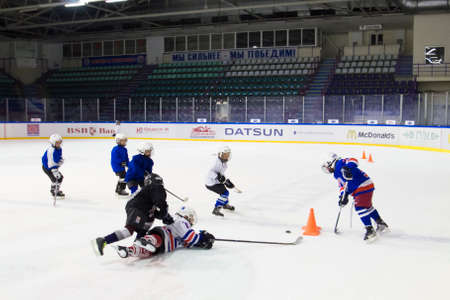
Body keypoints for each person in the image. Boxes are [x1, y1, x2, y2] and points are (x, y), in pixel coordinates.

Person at [92, 173, 173, 256]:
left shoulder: (147, 190)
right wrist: (165, 215)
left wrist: (165, 215)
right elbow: (160, 204)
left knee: (146, 225)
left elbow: (157, 209)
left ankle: (138, 245)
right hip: (139, 208)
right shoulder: (157, 187)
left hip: (138, 208)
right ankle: (104, 240)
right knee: (129, 230)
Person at [322, 153, 389, 242]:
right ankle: (381, 224)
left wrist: (347, 168)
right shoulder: (336, 174)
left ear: (331, 162)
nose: (328, 170)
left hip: (362, 185)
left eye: (327, 167)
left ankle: (370, 230)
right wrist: (343, 196)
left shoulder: (341, 163)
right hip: (362, 187)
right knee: (367, 207)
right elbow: (342, 186)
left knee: (360, 207)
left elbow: (354, 160)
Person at [114, 206, 215, 259]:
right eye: (191, 219)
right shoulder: (181, 221)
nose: (191, 222)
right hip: (163, 236)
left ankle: (129, 251)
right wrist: (202, 237)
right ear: (186, 215)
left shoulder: (182, 225)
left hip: (164, 246)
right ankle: (147, 241)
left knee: (148, 252)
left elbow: (189, 242)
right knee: (156, 241)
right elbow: (190, 238)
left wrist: (203, 243)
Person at [205, 146, 236, 217]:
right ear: (220, 154)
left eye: (227, 155)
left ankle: (225, 204)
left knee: (224, 192)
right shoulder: (215, 162)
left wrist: (227, 181)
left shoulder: (224, 163)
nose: (226, 156)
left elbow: (221, 174)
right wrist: (217, 177)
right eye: (225, 155)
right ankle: (216, 208)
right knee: (225, 193)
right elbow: (209, 172)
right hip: (211, 182)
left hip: (216, 181)